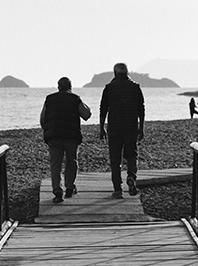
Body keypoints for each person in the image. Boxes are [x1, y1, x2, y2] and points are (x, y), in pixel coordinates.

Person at [40, 77, 91, 203]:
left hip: (54, 136)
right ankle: (69, 187)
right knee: (71, 161)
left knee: (55, 163)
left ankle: (57, 189)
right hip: (71, 136)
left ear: (58, 87)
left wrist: (48, 130)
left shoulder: (49, 99)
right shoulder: (75, 99)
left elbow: (43, 120)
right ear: (70, 87)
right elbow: (86, 115)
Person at [99, 62, 145, 198]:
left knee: (115, 159)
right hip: (131, 126)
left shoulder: (109, 88)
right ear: (127, 72)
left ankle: (118, 189)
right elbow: (141, 109)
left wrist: (101, 128)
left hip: (114, 127)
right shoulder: (135, 87)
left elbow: (103, 109)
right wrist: (141, 127)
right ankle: (131, 176)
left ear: (115, 73)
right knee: (131, 155)